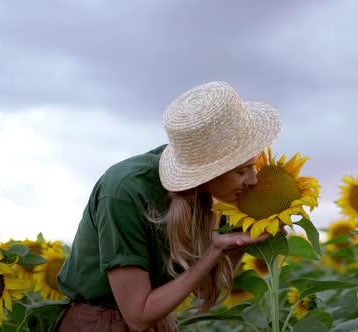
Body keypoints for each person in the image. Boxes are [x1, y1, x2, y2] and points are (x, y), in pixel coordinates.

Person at [55, 81, 283, 331]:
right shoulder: (126, 191)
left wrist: (240, 242)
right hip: (102, 323)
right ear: (208, 172)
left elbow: (202, 288)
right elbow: (138, 315)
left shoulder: (209, 196)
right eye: (241, 171)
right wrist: (215, 250)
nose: (253, 180)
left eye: (252, 165)